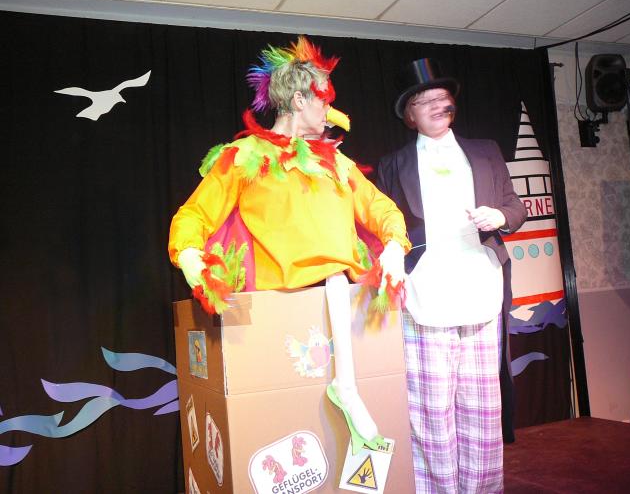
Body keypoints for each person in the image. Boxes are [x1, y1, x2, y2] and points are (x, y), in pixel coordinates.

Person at [167, 36, 410, 454]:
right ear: (299, 100)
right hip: (275, 312)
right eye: (324, 101)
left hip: (341, 304)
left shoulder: (337, 162)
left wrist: (392, 247)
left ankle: (348, 391)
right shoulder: (245, 156)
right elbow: (194, 214)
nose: (330, 112)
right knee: (281, 433)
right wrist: (189, 254)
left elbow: (381, 208)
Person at [375, 58, 527, 493]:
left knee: (482, 409)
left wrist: (500, 215)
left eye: (442, 98)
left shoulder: (485, 151)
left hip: (480, 288)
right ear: (410, 114)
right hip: (425, 294)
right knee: (431, 411)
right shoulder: (394, 164)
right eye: (425, 101)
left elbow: (515, 206)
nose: (437, 105)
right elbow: (381, 226)